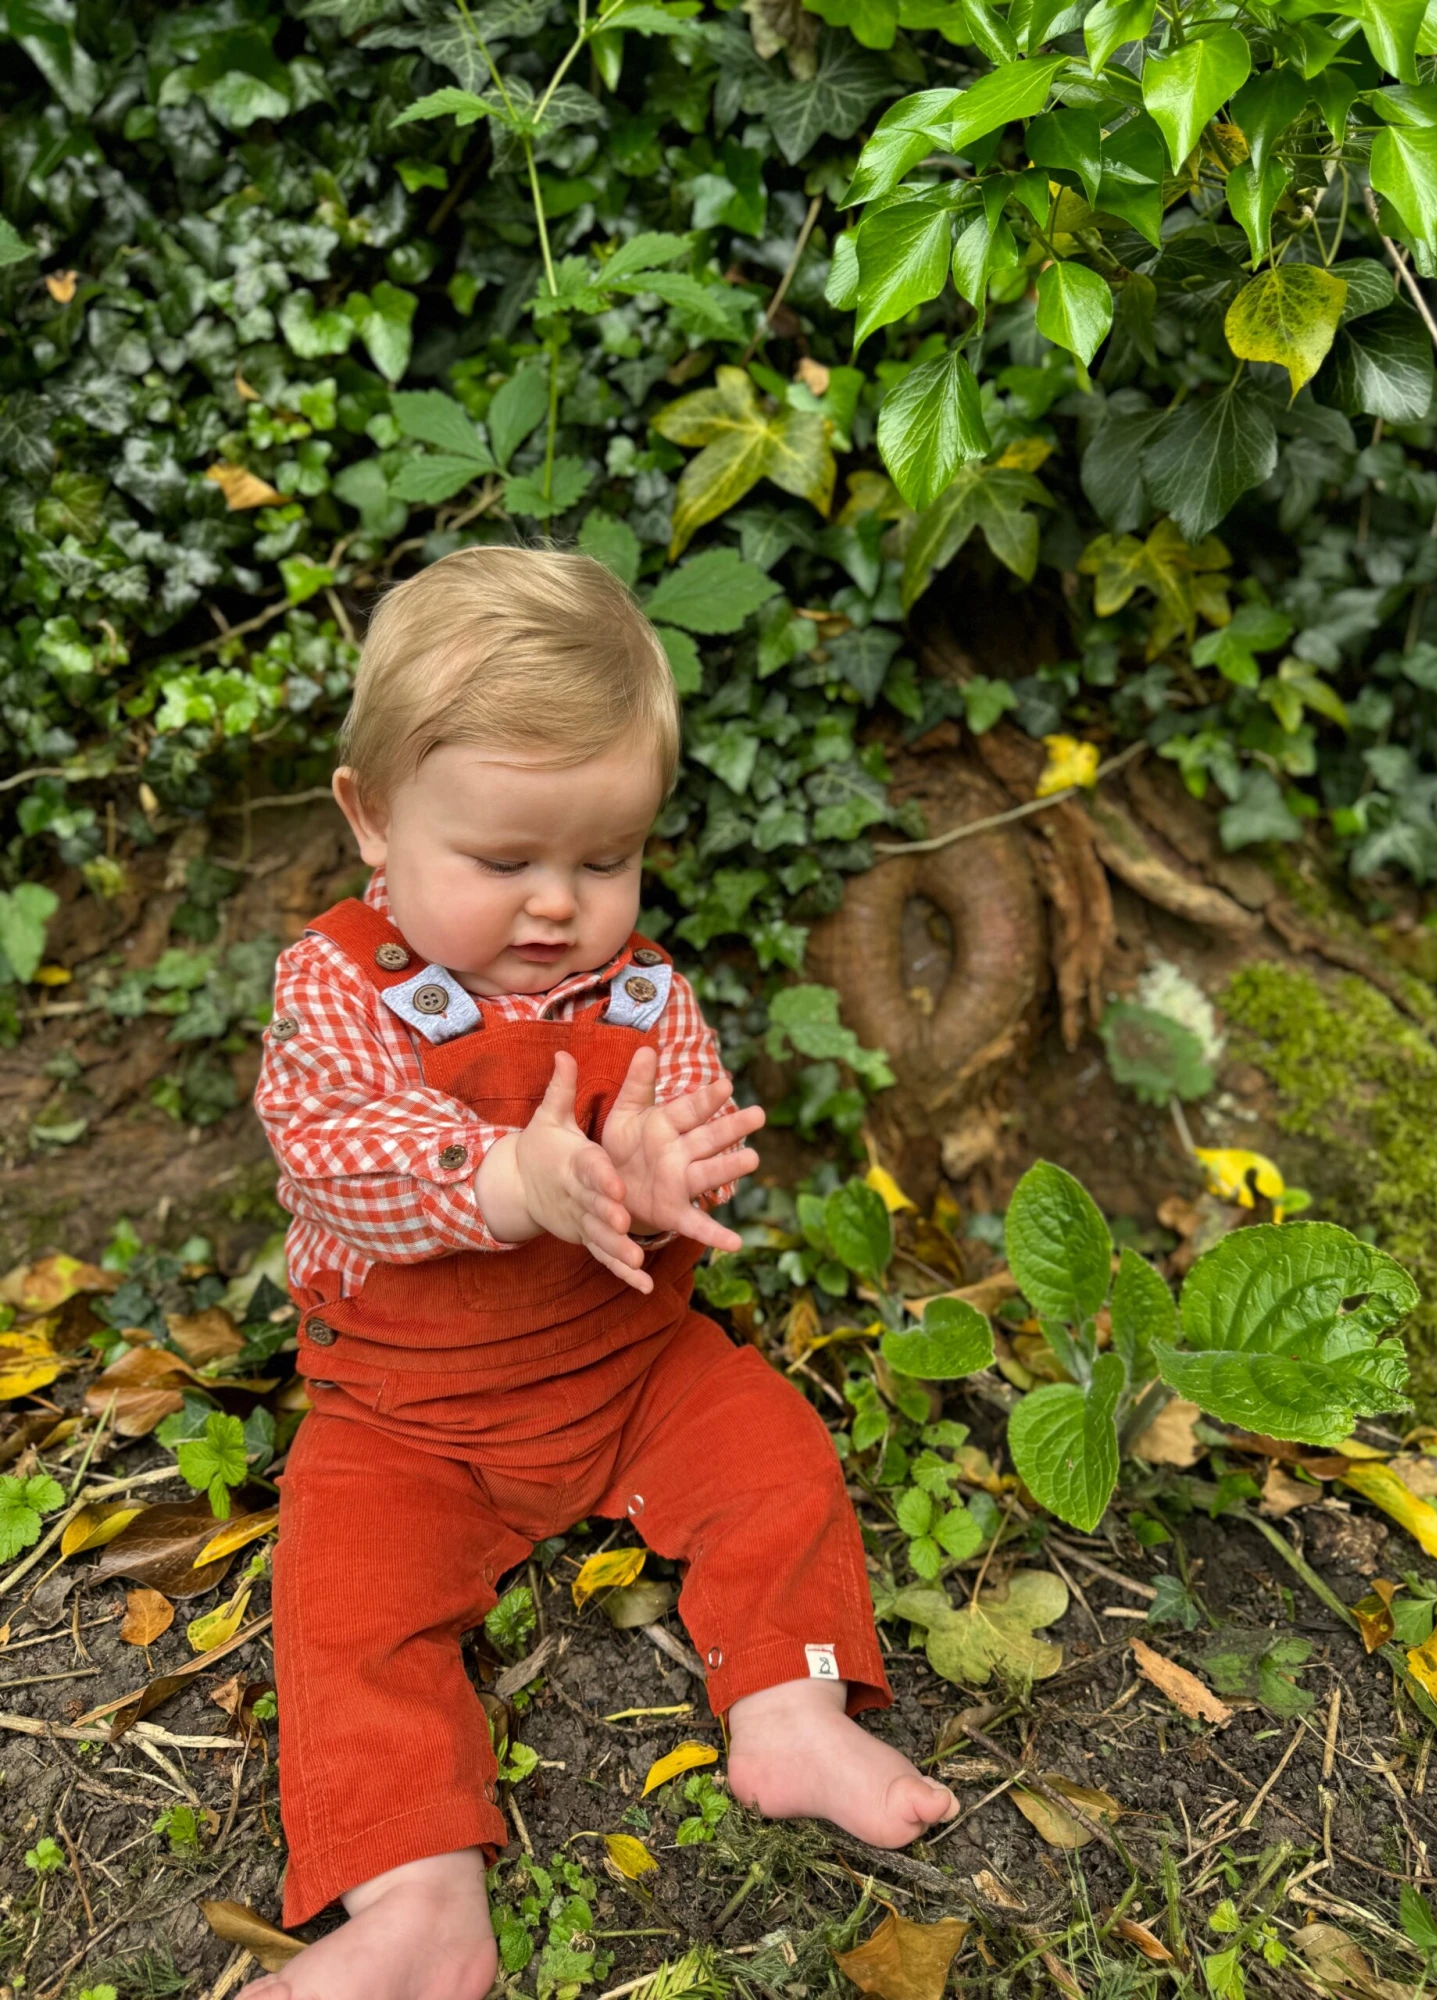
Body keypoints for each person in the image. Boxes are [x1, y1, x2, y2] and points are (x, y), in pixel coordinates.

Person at [249, 545, 957, 2000]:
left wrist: (665, 1172)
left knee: (772, 1453)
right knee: (343, 1598)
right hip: (410, 1415)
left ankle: (790, 1711)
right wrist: (514, 1181)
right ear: (372, 818)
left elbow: (696, 1122)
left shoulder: (643, 993)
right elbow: (329, 1153)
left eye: (605, 860)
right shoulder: (338, 984)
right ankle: (415, 1894)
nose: (558, 907)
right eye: (503, 863)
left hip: (630, 1368)